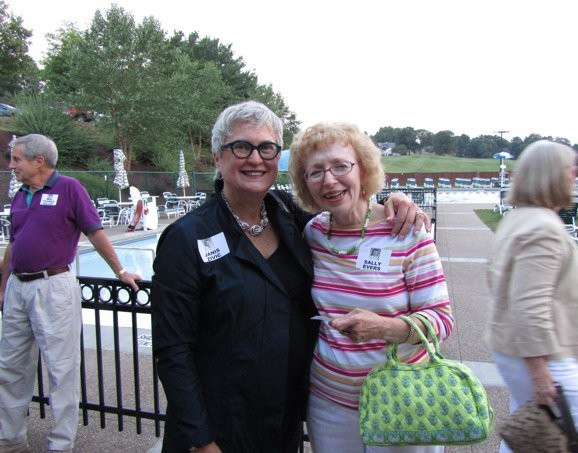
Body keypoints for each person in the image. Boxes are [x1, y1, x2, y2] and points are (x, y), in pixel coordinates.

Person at [151, 101, 430, 453]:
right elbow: (172, 349)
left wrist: (393, 202)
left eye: (266, 148)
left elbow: (346, 208)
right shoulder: (186, 238)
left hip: (281, 418)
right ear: (218, 157)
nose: (256, 159)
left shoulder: (288, 215)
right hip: (220, 423)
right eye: (241, 147)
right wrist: (200, 440)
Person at [288, 122, 453, 453]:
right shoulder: (313, 234)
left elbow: (441, 320)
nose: (329, 180)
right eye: (316, 172)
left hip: (402, 398)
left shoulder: (406, 232)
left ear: (363, 170)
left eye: (340, 166)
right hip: (330, 404)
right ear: (306, 184)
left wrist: (383, 328)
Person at [0, 134, 142, 453]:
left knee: (61, 369)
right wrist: (3, 286)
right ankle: (10, 439)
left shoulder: (69, 188)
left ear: (39, 161)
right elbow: (14, 244)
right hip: (18, 288)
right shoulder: (21, 195)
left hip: (53, 286)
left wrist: (120, 270)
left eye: (16, 159)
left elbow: (95, 232)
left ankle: (61, 444)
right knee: (9, 367)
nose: (11, 165)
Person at [484, 140, 578, 452]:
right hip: (545, 357)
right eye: (570, 169)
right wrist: (539, 374)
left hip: (515, 348)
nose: (575, 176)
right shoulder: (544, 229)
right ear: (550, 175)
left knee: (531, 434)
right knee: (569, 440)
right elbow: (529, 305)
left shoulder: (518, 219)